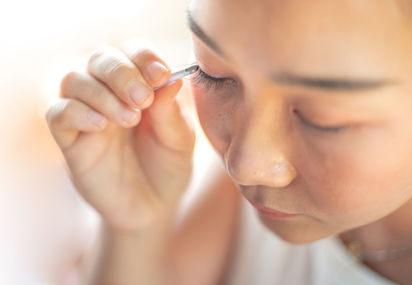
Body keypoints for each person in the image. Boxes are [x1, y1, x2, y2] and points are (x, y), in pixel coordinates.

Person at [45, 0, 412, 284]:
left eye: (322, 120)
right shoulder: (233, 202)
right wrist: (136, 229)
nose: (242, 165)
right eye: (212, 73)